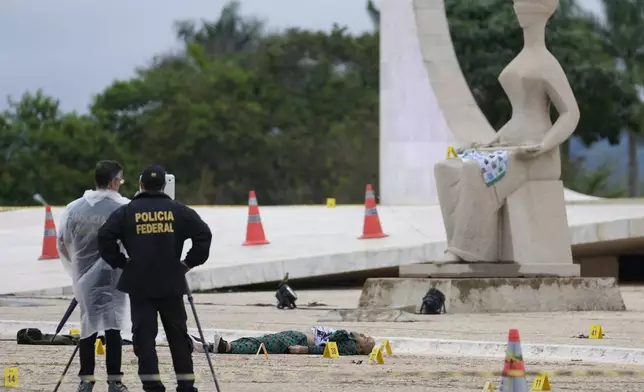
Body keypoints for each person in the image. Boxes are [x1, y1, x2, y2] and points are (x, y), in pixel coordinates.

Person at [97, 165, 212, 392]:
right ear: (163, 185)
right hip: (171, 282)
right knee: (178, 338)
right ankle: (186, 385)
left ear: (141, 185)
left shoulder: (127, 212)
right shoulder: (177, 210)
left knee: (144, 339)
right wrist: (188, 263)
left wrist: (122, 262)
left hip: (140, 284)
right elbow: (203, 235)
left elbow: (104, 237)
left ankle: (152, 386)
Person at [57, 160, 131, 392]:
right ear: (113, 181)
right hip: (115, 275)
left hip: (84, 278)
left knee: (87, 326)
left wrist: (77, 269)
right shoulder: (126, 208)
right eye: (120, 180)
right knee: (114, 327)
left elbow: (62, 243)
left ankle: (86, 381)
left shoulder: (74, 208)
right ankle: (114, 382)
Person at [190, 326, 376, 356]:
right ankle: (211, 346)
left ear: (360, 349)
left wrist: (304, 350)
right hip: (296, 336)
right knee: (261, 341)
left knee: (263, 345)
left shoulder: (349, 345)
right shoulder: (350, 342)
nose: (365, 335)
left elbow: (327, 350)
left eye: (367, 340)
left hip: (299, 341)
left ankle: (225, 348)